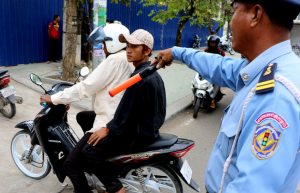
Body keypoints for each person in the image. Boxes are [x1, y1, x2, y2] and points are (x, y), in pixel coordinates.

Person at [152, 0, 300, 192]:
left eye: (233, 11)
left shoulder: (276, 94)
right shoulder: (265, 67)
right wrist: (176, 52)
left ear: (255, 15)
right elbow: (219, 66)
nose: (230, 23)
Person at [40, 24, 135, 193]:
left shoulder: (113, 60)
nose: (103, 47)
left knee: (70, 164)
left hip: (108, 120)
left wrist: (54, 98)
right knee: (83, 116)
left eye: (104, 43)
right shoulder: (128, 59)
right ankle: (95, 160)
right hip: (121, 117)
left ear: (112, 42)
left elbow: (85, 88)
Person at [80, 29, 166, 193]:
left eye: (134, 46)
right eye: (127, 45)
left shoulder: (138, 78)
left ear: (147, 50)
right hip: (148, 130)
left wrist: (107, 129)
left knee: (89, 150)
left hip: (136, 135)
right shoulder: (152, 73)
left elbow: (124, 112)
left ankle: (115, 188)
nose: (128, 50)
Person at [204, 35, 225, 108]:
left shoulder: (221, 52)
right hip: (206, 70)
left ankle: (212, 100)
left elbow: (223, 62)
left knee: (217, 83)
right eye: (210, 42)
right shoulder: (205, 51)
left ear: (216, 43)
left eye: (213, 43)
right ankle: (195, 95)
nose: (212, 44)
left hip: (216, 71)